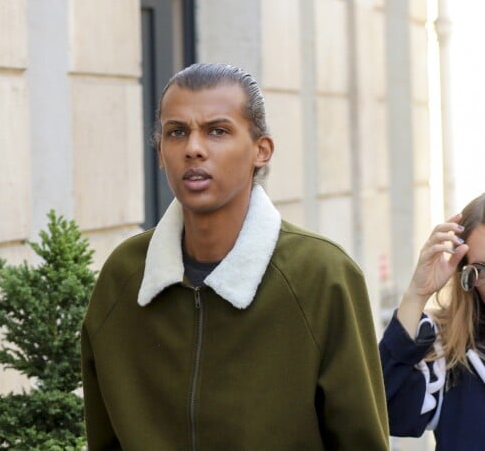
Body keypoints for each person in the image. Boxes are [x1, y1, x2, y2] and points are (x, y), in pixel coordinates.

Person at [81, 63, 389, 450]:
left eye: (217, 131)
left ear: (261, 150)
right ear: (161, 152)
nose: (193, 148)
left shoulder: (323, 276)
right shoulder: (125, 276)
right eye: (177, 132)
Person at [380, 193, 485, 450]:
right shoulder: (447, 349)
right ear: (467, 275)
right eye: (483, 269)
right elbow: (383, 409)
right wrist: (416, 294)